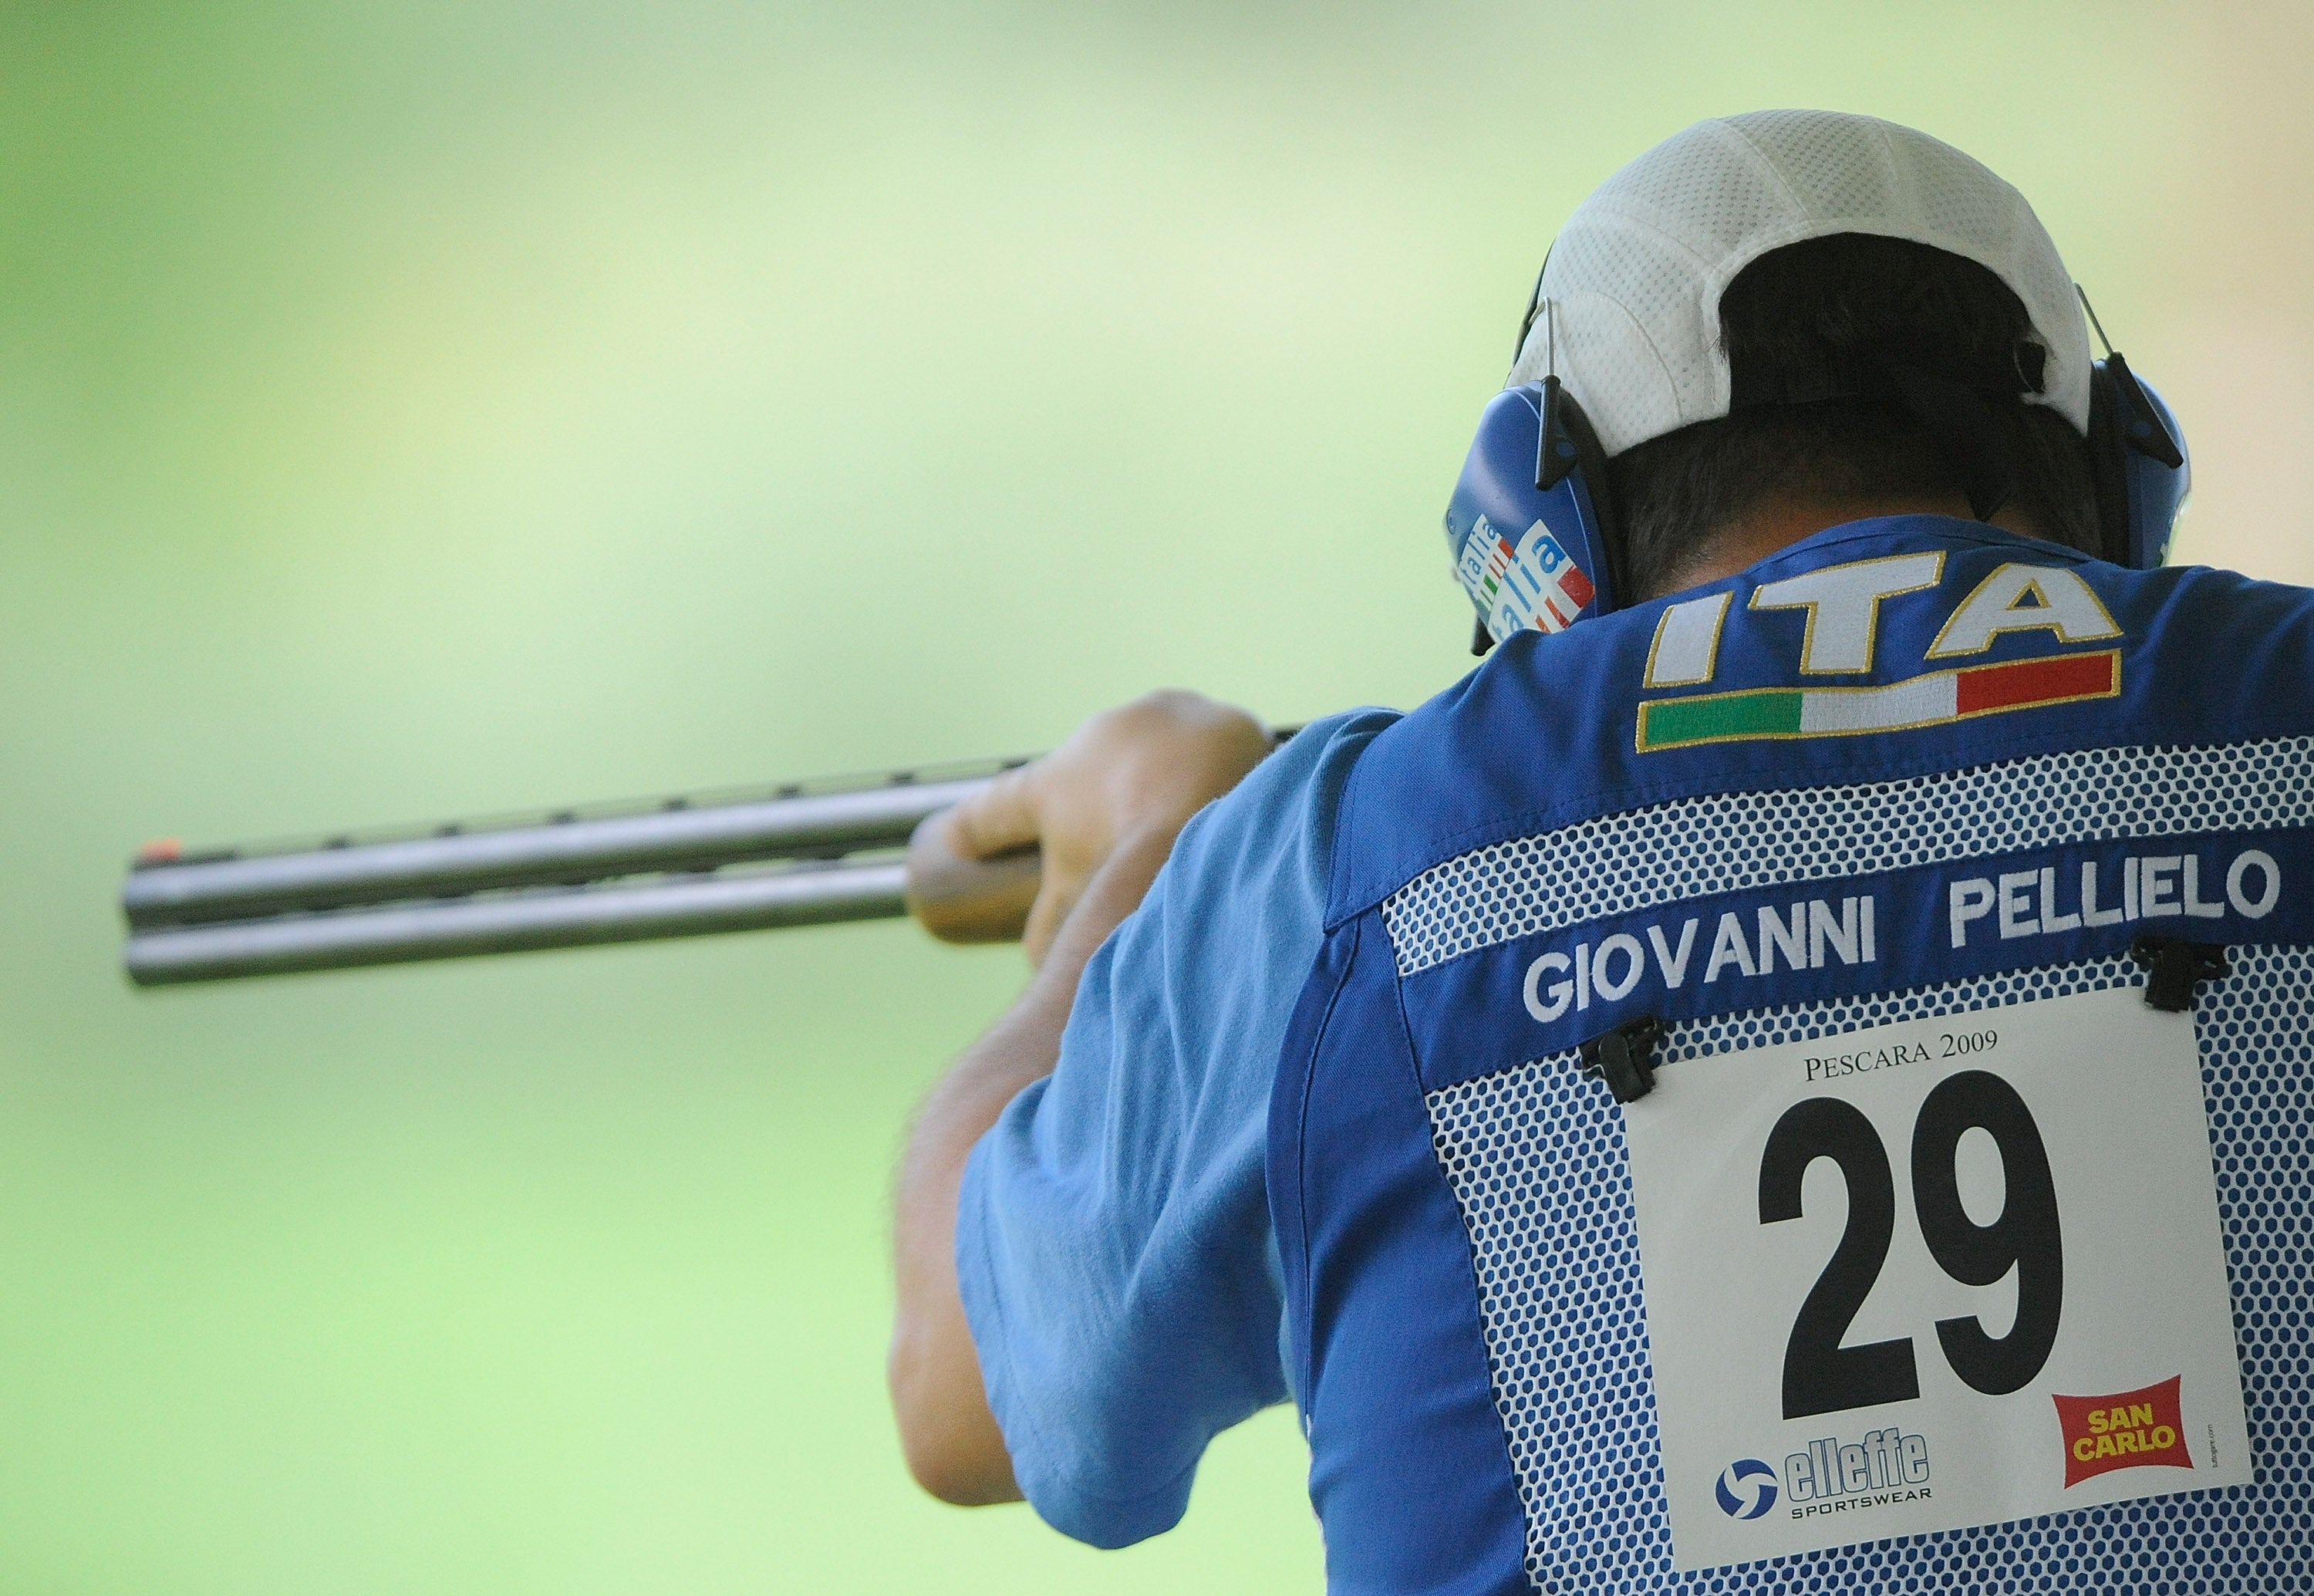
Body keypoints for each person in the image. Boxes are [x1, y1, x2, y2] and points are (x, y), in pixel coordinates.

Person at [887, 110, 2314, 1592]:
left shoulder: (1346, 848)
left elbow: (960, 1378)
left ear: (1545, 523)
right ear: (2110, 480)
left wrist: (1150, 853)